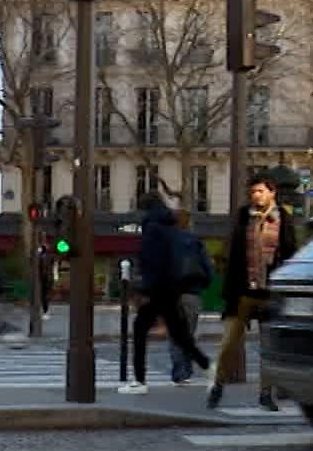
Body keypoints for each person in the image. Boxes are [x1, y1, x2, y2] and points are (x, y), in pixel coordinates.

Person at [209, 173, 298, 411]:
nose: (256, 196)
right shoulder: (242, 217)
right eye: (253, 192)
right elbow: (232, 254)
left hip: (270, 293)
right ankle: (216, 385)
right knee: (228, 343)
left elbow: (289, 253)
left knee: (268, 347)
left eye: (260, 191)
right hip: (242, 291)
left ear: (272, 192)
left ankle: (265, 394)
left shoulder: (284, 220)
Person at [120, 196, 211, 394]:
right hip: (188, 291)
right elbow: (206, 267)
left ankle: (155, 378)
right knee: (183, 334)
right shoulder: (190, 239)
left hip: (162, 290)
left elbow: (150, 263)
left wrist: (144, 290)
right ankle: (202, 366)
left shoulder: (155, 231)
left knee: (153, 334)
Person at [169, 209, 212, 386]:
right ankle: (186, 371)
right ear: (188, 223)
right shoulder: (195, 242)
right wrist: (203, 284)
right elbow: (207, 267)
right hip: (192, 293)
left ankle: (179, 372)